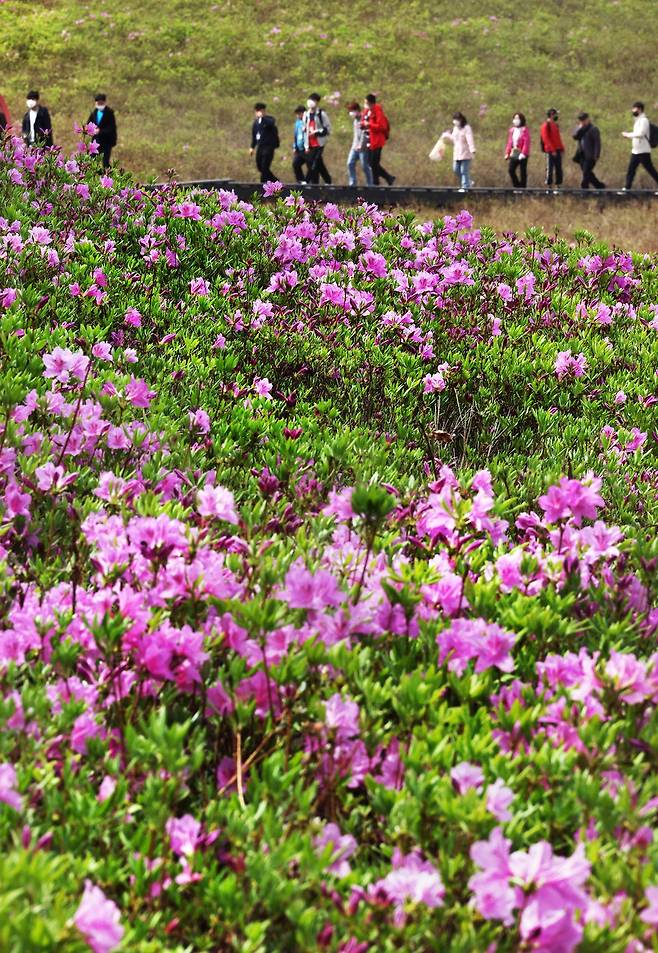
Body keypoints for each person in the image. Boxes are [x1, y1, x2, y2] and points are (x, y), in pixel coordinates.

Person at [621, 100, 658, 190]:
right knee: (631, 170)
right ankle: (627, 188)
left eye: (634, 109)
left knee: (650, 170)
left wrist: (628, 135)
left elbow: (641, 133)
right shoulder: (638, 121)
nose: (633, 111)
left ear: (640, 109)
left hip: (643, 150)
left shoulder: (644, 120)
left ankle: (627, 188)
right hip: (636, 151)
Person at [361, 93, 394, 186]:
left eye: (366, 103)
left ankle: (377, 183)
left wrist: (369, 125)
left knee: (374, 163)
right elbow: (363, 121)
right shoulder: (367, 112)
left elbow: (381, 126)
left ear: (371, 103)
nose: (365, 105)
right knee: (371, 163)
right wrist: (363, 124)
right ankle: (388, 177)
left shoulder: (378, 112)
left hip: (377, 141)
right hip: (370, 140)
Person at [440, 112, 475, 190]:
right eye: (454, 119)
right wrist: (447, 135)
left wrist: (472, 149)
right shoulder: (455, 128)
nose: (455, 121)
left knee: (464, 170)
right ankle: (468, 182)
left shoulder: (466, 127)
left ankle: (465, 187)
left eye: (457, 119)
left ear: (461, 119)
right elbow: (454, 139)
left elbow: (470, 139)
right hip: (457, 153)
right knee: (456, 169)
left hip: (466, 152)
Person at [303, 93, 332, 184]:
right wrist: (306, 145)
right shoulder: (306, 114)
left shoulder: (321, 114)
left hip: (319, 143)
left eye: (314, 100)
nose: (311, 102)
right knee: (318, 164)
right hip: (310, 143)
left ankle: (307, 181)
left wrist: (316, 132)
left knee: (314, 163)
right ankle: (327, 181)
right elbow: (305, 130)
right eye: (310, 99)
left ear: (317, 102)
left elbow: (328, 129)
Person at [572, 112, 605, 189]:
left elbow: (597, 143)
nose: (582, 121)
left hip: (590, 156)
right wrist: (579, 128)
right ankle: (600, 186)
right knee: (587, 173)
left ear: (588, 119)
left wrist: (596, 155)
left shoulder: (593, 129)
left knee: (586, 173)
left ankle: (584, 189)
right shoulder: (580, 129)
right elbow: (574, 137)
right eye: (581, 120)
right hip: (581, 155)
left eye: (584, 120)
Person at [250, 102, 279, 183]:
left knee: (264, 167)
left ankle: (263, 184)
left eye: (260, 110)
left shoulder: (269, 119)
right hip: (260, 147)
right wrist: (252, 147)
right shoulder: (256, 123)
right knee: (260, 167)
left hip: (269, 147)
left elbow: (271, 124)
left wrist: (263, 117)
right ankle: (276, 181)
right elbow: (254, 136)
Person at [87, 94, 117, 170]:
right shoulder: (94, 113)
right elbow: (89, 123)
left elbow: (111, 127)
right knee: (92, 160)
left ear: (104, 102)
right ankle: (94, 174)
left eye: (101, 103)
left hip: (106, 141)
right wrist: (90, 130)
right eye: (98, 103)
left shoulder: (109, 113)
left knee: (105, 162)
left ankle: (107, 177)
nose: (100, 105)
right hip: (96, 141)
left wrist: (100, 131)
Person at [346, 101, 373, 187]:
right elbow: (356, 135)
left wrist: (361, 145)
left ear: (357, 110)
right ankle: (352, 182)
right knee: (350, 163)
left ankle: (370, 184)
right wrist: (354, 145)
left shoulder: (363, 119)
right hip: (355, 147)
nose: (351, 113)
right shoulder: (355, 121)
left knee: (364, 166)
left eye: (352, 111)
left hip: (363, 147)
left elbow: (365, 133)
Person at [504, 112, 530, 188]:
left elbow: (526, 142)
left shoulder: (524, 130)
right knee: (511, 170)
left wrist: (523, 153)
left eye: (517, 118)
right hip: (514, 152)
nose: (516, 120)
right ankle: (517, 186)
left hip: (522, 154)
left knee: (523, 171)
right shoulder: (512, 130)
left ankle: (523, 187)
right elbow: (509, 142)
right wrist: (507, 153)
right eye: (515, 118)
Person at [540, 108, 564, 187]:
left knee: (559, 169)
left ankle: (558, 185)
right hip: (550, 151)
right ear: (551, 114)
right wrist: (552, 149)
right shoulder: (546, 125)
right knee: (549, 169)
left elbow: (558, 138)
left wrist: (561, 148)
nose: (557, 116)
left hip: (557, 150)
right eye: (555, 114)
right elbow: (545, 138)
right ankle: (549, 186)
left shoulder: (555, 125)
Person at [292, 105, 307, 183]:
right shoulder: (297, 123)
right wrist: (294, 146)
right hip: (299, 148)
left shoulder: (307, 121)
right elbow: (295, 135)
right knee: (295, 164)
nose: (297, 115)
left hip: (307, 148)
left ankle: (310, 182)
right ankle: (300, 180)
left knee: (312, 166)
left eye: (299, 113)